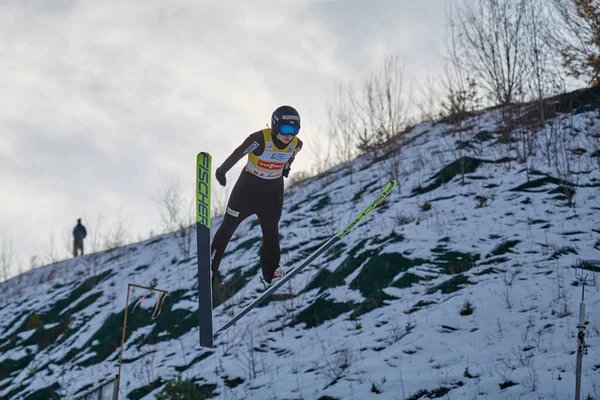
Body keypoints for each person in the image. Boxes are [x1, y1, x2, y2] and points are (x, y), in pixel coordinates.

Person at [210, 105, 303, 287]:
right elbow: (238, 153)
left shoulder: (296, 145)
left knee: (271, 231)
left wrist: (286, 168)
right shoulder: (259, 139)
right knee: (228, 226)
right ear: (275, 127)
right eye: (285, 129)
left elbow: (290, 156)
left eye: (295, 129)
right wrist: (222, 171)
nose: (289, 134)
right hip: (247, 190)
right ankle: (211, 267)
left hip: (272, 193)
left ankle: (271, 273)